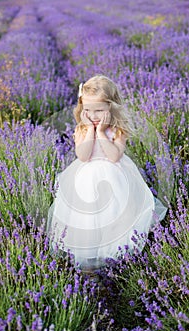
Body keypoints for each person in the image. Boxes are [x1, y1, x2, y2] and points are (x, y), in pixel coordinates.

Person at [46, 75, 167, 271]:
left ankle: (115, 260)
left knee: (116, 215)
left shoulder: (117, 130)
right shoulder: (82, 130)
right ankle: (88, 264)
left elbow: (114, 156)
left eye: (99, 111)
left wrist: (101, 132)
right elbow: (83, 156)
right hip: (86, 178)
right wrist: (91, 132)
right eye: (87, 110)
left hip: (114, 177)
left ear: (111, 107)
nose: (93, 116)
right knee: (87, 219)